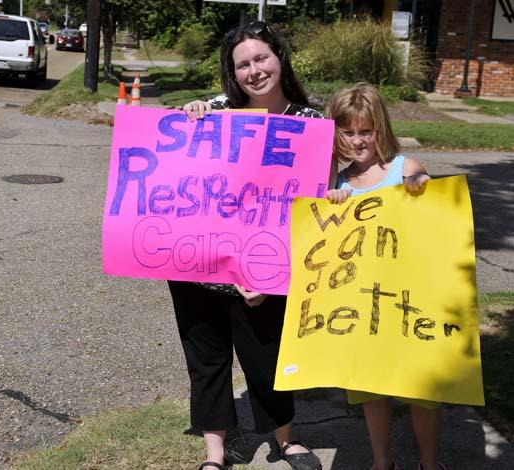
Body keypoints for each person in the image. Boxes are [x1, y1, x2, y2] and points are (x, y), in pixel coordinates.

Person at [169, 20, 324, 470]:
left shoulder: (309, 122)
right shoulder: (215, 112)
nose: (254, 71)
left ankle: (285, 440)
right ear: (232, 73)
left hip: (264, 271)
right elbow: (178, 157)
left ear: (279, 58)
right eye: (242, 65)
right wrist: (191, 113)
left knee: (267, 359)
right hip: (200, 266)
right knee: (206, 358)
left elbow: (311, 207)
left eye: (261, 58)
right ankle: (215, 454)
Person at [326, 82, 445, 470]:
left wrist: (420, 187)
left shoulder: (404, 169)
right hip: (362, 307)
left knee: (421, 392)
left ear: (381, 128)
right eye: (348, 132)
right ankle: (382, 461)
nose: (358, 141)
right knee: (371, 390)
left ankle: (429, 462)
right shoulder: (339, 184)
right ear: (336, 133)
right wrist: (333, 201)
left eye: (366, 131)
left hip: (410, 303)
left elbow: (433, 214)